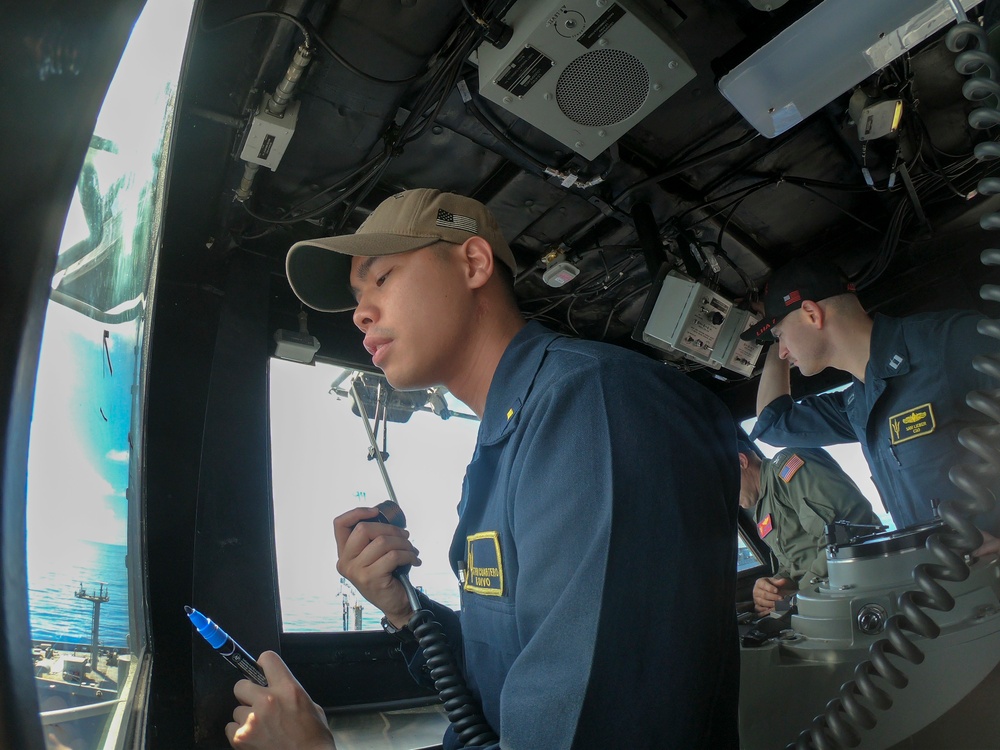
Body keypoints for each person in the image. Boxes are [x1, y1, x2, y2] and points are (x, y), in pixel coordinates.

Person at [225, 188, 742, 749]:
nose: (360, 312)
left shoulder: (593, 405)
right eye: (357, 295)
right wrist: (405, 610)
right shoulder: (508, 438)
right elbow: (506, 676)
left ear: (472, 263)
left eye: (381, 278)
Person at [742, 258, 1000, 554]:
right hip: (956, 581)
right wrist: (775, 324)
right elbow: (774, 424)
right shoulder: (856, 403)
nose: (783, 351)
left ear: (812, 314)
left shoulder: (946, 342)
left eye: (780, 337)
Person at [737, 443, 882, 614]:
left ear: (741, 461)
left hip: (859, 591)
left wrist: (798, 596)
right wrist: (771, 590)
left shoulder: (788, 468)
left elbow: (847, 532)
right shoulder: (763, 511)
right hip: (820, 599)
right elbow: (793, 565)